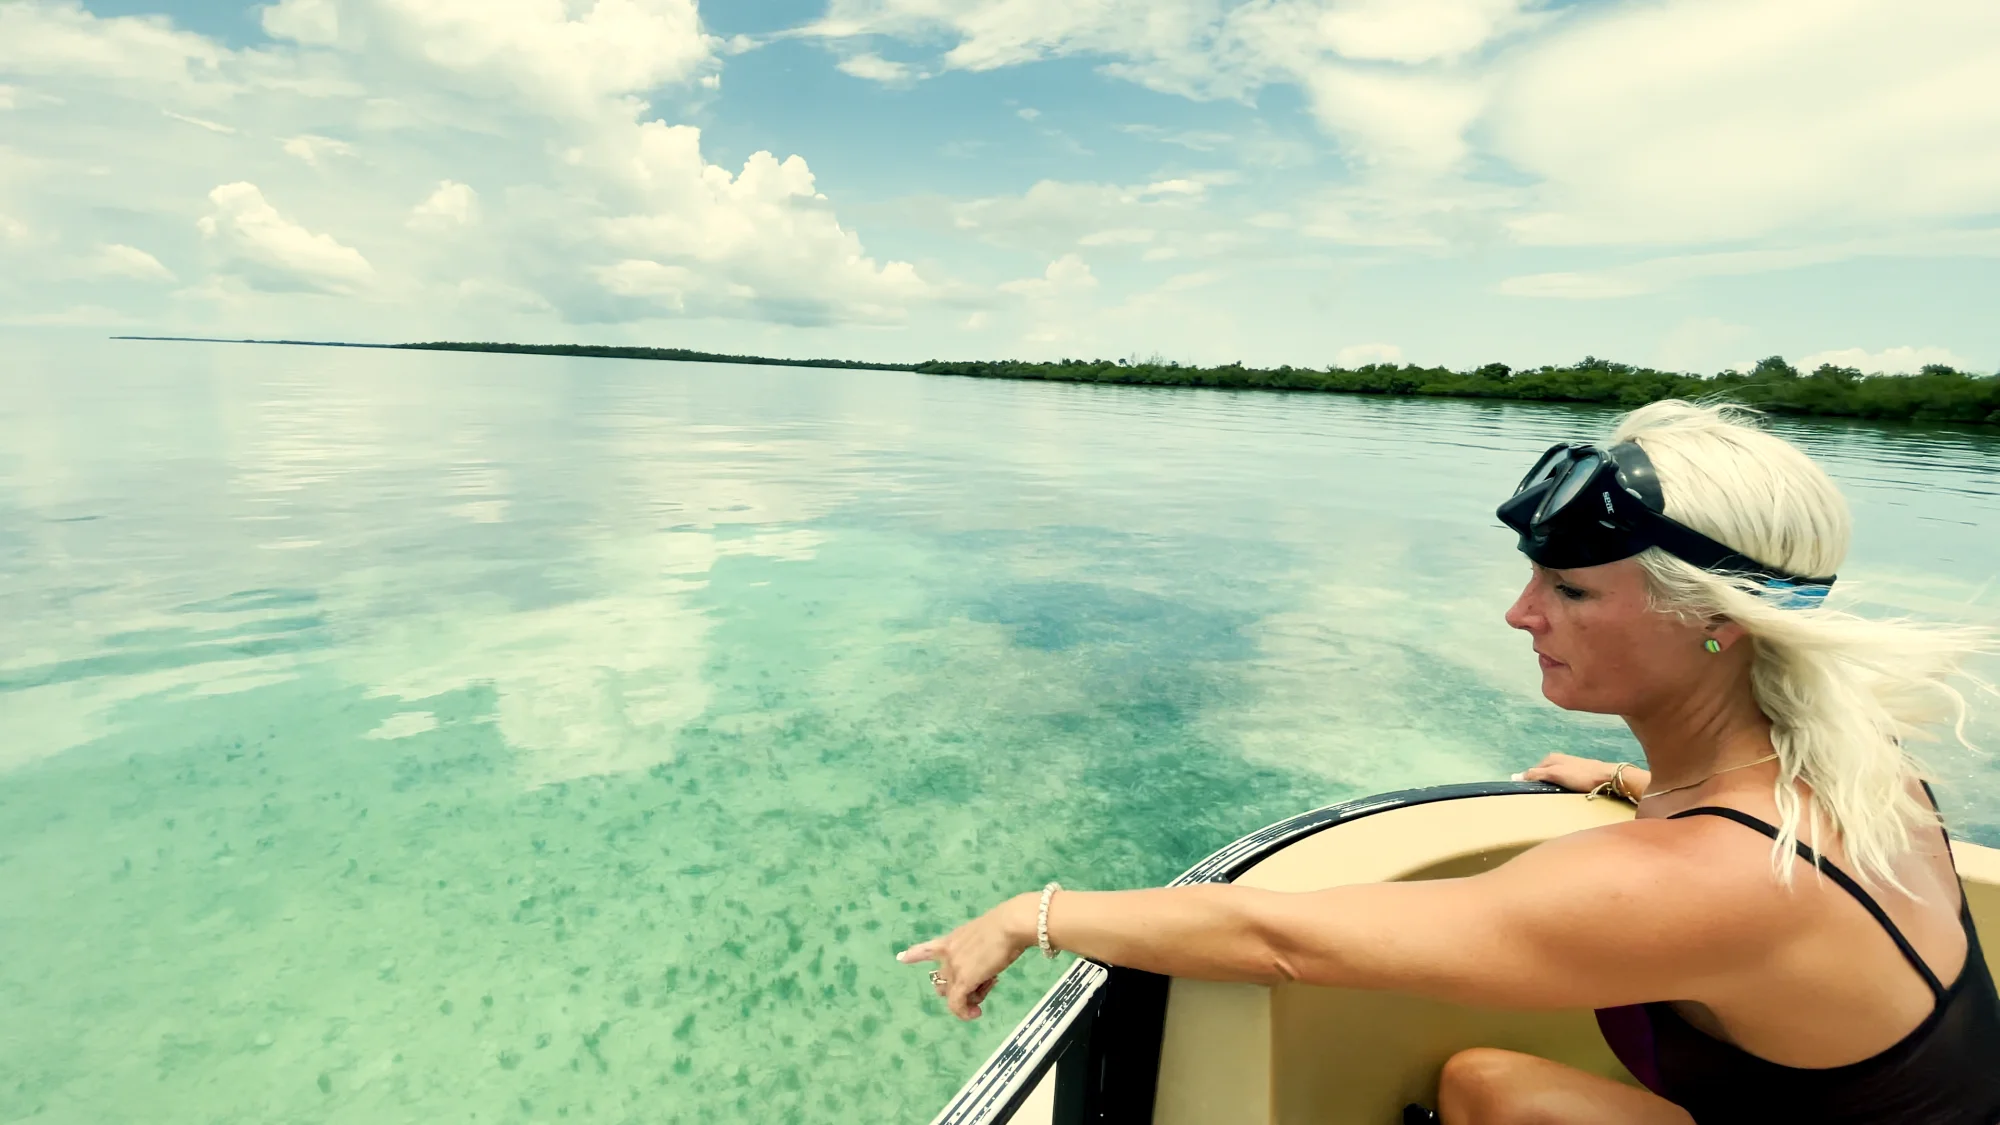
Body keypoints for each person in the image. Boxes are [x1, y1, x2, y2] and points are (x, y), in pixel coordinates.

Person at [898, 400, 2000, 1124]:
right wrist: (1617, 782)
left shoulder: (1699, 884)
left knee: (1482, 1092)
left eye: (1568, 590)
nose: (1519, 613)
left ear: (1716, 619)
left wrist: (1030, 912)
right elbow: (1719, 838)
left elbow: (1275, 938)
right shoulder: (1861, 767)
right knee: (1486, 1088)